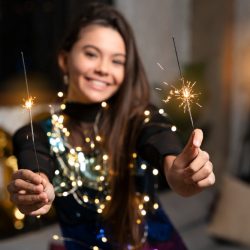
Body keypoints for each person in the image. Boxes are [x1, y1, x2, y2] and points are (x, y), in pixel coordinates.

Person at [7, 2, 215, 250]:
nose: (104, 69)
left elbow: (160, 139)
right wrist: (37, 190)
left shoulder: (140, 118)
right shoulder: (37, 133)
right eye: (91, 54)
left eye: (117, 61)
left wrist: (178, 172)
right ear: (64, 59)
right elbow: (35, 161)